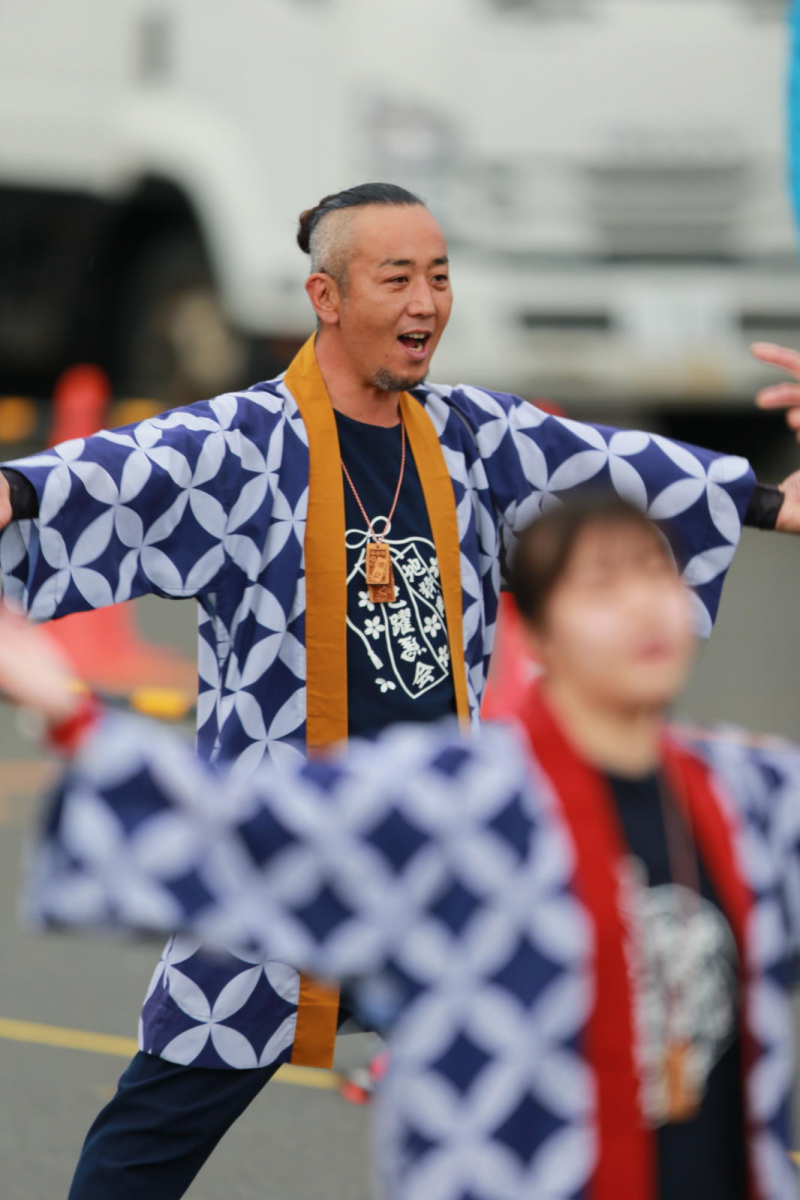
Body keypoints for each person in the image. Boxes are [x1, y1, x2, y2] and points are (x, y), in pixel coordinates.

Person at [0, 182, 797, 1197]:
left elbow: (619, 473)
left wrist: (768, 500)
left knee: (532, 1104)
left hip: (452, 849)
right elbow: (113, 475)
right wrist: (16, 491)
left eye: (439, 276)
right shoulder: (243, 444)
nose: (425, 300)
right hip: (297, 841)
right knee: (152, 1131)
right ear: (324, 297)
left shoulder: (472, 435)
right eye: (396, 278)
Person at [5, 496, 800, 1200]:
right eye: (602, 586)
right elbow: (238, 824)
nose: (642, 610)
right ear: (542, 634)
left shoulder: (753, 794)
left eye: (655, 580)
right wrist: (65, 710)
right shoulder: (452, 799)